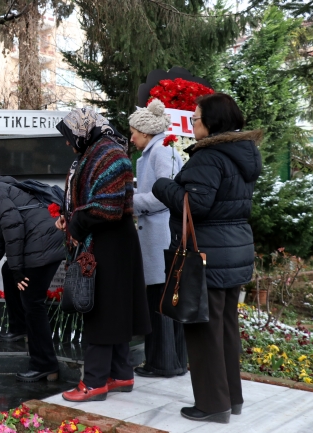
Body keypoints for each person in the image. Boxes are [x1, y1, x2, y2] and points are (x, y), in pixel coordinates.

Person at [152, 93, 262, 424]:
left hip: (209, 255)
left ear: (211, 123)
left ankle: (213, 404)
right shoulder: (242, 154)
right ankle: (231, 397)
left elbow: (195, 205)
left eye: (196, 119)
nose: (192, 124)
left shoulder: (209, 157)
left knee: (204, 330)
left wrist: (162, 186)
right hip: (235, 250)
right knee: (226, 327)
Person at [55, 107, 151, 402]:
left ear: (83, 131)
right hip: (114, 241)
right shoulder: (100, 150)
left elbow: (105, 207)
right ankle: (121, 374)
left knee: (100, 310)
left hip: (109, 243)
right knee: (115, 310)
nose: (69, 144)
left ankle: (95, 382)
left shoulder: (107, 154)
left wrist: (74, 223)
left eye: (70, 137)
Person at [0, 167, 66, 382]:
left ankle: (45, 364)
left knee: (33, 304)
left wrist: (18, 269)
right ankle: (19, 327)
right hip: (45, 240)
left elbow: (13, 225)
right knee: (10, 273)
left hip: (41, 244)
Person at [128, 99, 188, 378]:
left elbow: (166, 194)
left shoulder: (160, 153)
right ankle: (172, 360)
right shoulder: (157, 151)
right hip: (159, 234)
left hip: (159, 235)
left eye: (134, 132)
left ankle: (162, 362)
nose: (131, 137)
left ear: (146, 132)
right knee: (163, 298)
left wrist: (131, 202)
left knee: (159, 299)